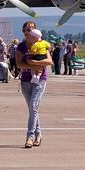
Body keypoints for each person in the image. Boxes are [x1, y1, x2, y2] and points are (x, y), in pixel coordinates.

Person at [16, 21, 53, 149]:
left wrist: (36, 64)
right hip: (26, 79)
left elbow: (49, 61)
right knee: (33, 109)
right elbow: (19, 64)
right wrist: (33, 64)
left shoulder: (42, 45)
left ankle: (30, 136)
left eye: (31, 29)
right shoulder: (21, 46)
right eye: (26, 30)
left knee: (33, 106)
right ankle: (39, 134)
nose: (28, 32)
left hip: (40, 79)